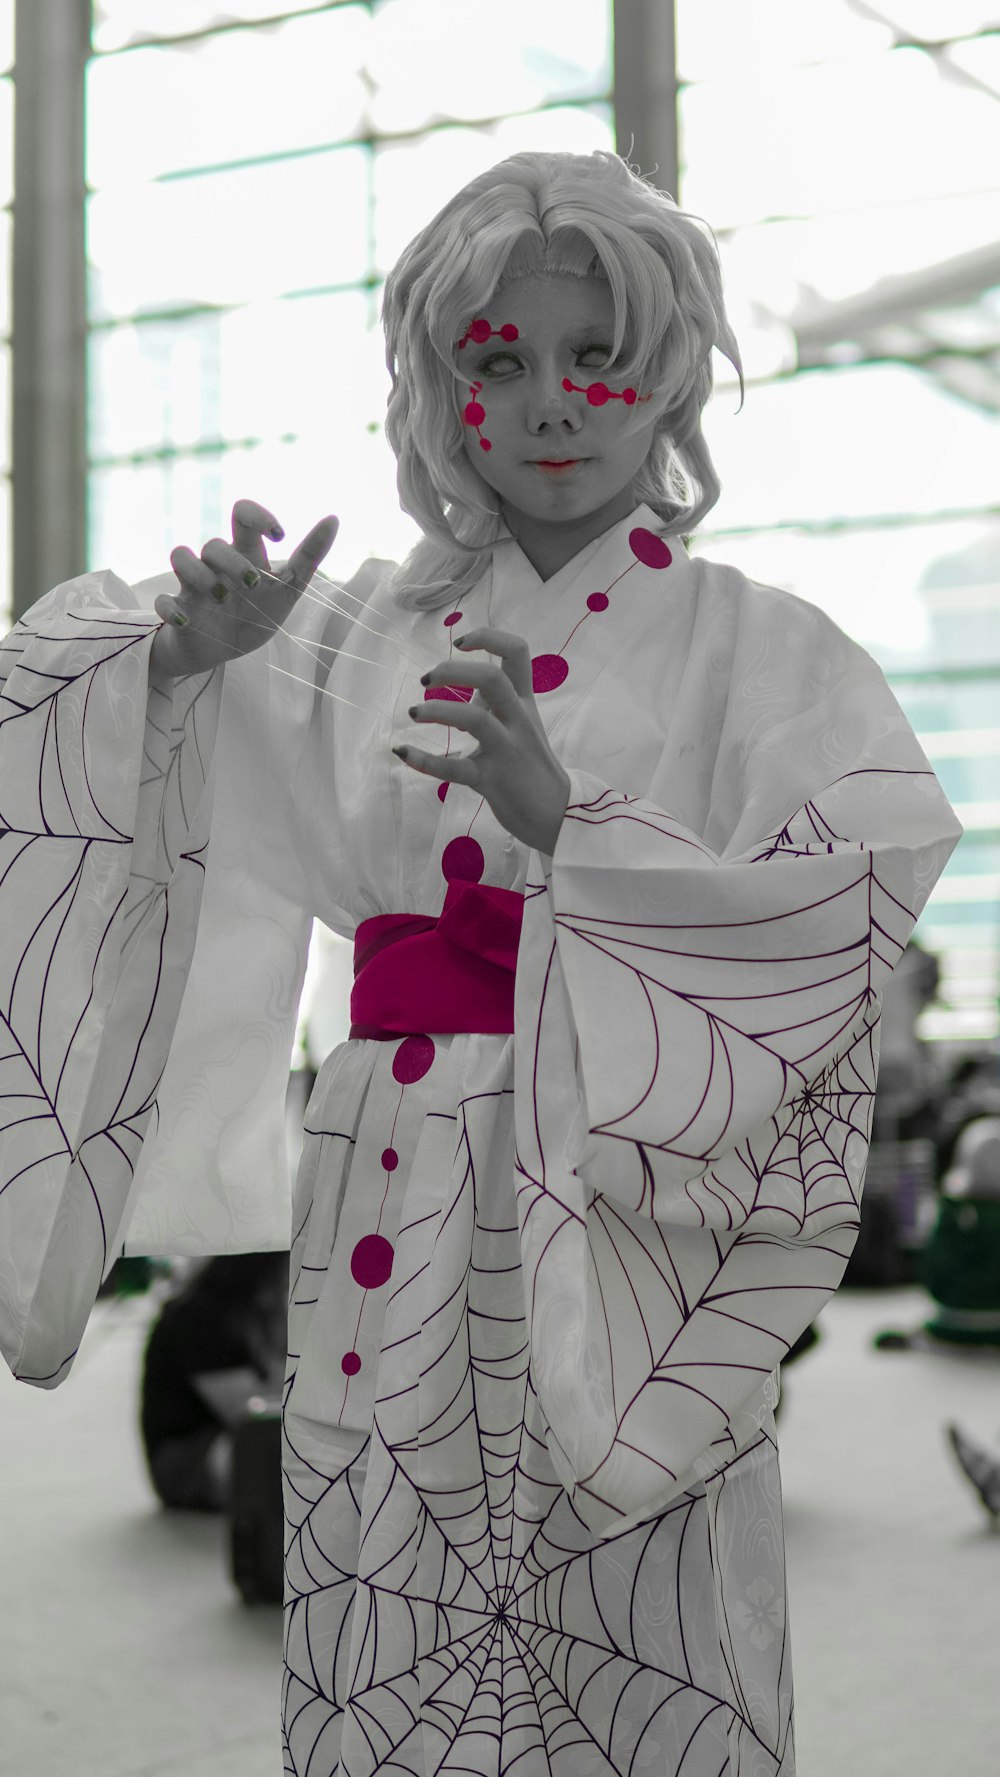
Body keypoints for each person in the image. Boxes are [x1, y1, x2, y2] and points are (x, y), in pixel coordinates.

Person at [0, 150, 962, 1776]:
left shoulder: (765, 651)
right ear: (439, 385)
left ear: (671, 373)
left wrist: (569, 826)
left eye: (599, 357)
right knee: (391, 1552)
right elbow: (121, 786)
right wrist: (175, 668)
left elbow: (843, 913)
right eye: (496, 359)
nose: (550, 402)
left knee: (630, 1609)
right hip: (386, 1171)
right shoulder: (358, 623)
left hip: (609, 1183)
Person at [140, 1252, 289, 1513]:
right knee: (272, 1442)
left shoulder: (254, 1314)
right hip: (186, 1459)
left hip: (222, 1443)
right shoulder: (198, 1316)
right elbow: (249, 1413)